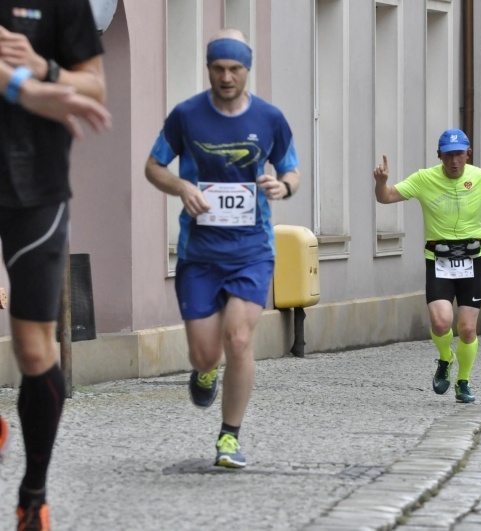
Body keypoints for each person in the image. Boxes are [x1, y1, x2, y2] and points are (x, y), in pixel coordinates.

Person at [145, 29, 300, 469]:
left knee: (239, 337)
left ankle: (229, 437)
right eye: (218, 68)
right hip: (200, 253)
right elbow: (154, 166)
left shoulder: (270, 118)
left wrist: (281, 186)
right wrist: (180, 186)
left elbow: (291, 170)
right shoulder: (187, 116)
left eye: (235, 69)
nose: (227, 76)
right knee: (205, 352)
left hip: (252, 249)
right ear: (208, 68)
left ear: (247, 70)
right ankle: (204, 369)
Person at [0, 2, 108, 528]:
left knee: (33, 348)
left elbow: (94, 88)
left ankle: (32, 493)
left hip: (34, 188)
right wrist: (29, 88)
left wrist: (44, 71)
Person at [374, 128, 481, 403]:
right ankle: (445, 358)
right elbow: (386, 197)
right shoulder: (424, 178)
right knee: (440, 321)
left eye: (459, 154)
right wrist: (381, 182)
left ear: (468, 153)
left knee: (467, 328)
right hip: (438, 259)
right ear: (439, 156)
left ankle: (463, 381)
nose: (454, 161)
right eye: (448, 155)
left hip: (472, 259)